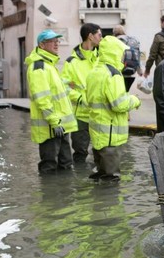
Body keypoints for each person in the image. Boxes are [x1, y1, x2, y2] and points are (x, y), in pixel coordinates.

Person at [85, 35, 142, 181]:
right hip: (111, 136)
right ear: (116, 52)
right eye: (123, 52)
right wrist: (135, 100)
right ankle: (109, 203)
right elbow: (119, 104)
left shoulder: (95, 72)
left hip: (98, 135)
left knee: (100, 175)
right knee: (111, 179)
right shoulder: (113, 74)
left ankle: (98, 202)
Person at [25, 29, 78, 174]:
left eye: (57, 41)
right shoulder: (39, 67)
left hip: (61, 126)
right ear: (42, 45)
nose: (56, 44)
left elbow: (57, 93)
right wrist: (55, 122)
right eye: (52, 41)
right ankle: (50, 195)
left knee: (66, 164)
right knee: (49, 166)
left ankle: (64, 194)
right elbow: (43, 99)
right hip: (51, 127)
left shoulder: (49, 65)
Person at [62, 23, 102, 163]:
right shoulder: (71, 62)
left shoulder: (101, 59)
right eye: (99, 35)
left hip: (99, 114)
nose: (101, 38)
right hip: (81, 116)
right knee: (80, 153)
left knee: (101, 152)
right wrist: (80, 98)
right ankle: (80, 183)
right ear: (90, 37)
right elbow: (65, 88)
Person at [112, 24, 141, 91]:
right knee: (126, 91)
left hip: (119, 72)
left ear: (114, 33)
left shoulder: (114, 41)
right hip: (131, 71)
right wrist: (139, 71)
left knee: (119, 92)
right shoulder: (133, 41)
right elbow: (138, 55)